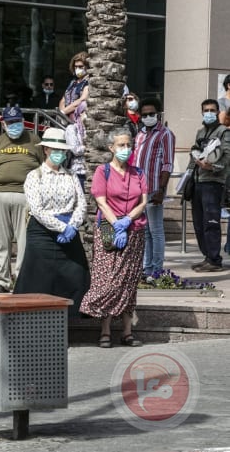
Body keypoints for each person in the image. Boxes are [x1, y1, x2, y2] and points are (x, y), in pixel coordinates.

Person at [80, 128, 148, 348]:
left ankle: (127, 332)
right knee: (107, 278)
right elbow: (101, 201)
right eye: (121, 145)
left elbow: (143, 201)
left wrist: (127, 220)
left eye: (128, 145)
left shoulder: (138, 173)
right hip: (109, 229)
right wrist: (117, 224)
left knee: (128, 281)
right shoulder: (103, 171)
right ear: (111, 148)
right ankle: (105, 329)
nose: (125, 149)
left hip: (135, 229)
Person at [13, 127, 89, 318]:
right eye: (55, 150)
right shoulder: (34, 176)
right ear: (46, 149)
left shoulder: (71, 176)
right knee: (38, 276)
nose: (59, 154)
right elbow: (37, 210)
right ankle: (32, 320)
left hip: (69, 228)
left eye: (62, 150)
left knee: (75, 273)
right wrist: (61, 227)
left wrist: (73, 225)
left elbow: (81, 204)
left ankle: (70, 318)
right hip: (42, 233)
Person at [0, 105, 43, 293]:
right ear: (3, 123)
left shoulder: (34, 140)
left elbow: (43, 166)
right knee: (0, 240)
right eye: (10, 122)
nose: (14, 126)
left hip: (25, 195)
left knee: (24, 240)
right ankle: (2, 280)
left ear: (22, 122)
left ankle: (21, 279)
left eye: (17, 122)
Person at [133, 97, 175, 279]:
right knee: (145, 231)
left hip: (155, 188)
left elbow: (167, 164)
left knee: (156, 231)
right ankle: (146, 268)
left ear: (157, 114)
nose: (148, 117)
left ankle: (157, 270)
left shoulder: (166, 134)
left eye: (151, 114)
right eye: (144, 114)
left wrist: (161, 189)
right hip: (139, 190)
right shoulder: (140, 134)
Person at [187, 99, 230, 272]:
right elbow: (194, 154)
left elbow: (227, 157)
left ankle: (214, 259)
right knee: (198, 223)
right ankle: (207, 256)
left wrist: (212, 167)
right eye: (206, 110)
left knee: (211, 222)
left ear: (218, 111)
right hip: (198, 181)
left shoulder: (223, 132)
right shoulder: (200, 132)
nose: (209, 113)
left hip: (213, 182)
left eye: (213, 110)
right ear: (202, 112)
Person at [59, 51, 89, 120]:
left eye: (80, 67)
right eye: (75, 67)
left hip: (78, 119)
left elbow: (82, 100)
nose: (77, 69)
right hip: (65, 118)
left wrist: (64, 112)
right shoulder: (73, 82)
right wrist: (62, 115)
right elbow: (63, 100)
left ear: (87, 67)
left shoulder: (88, 82)